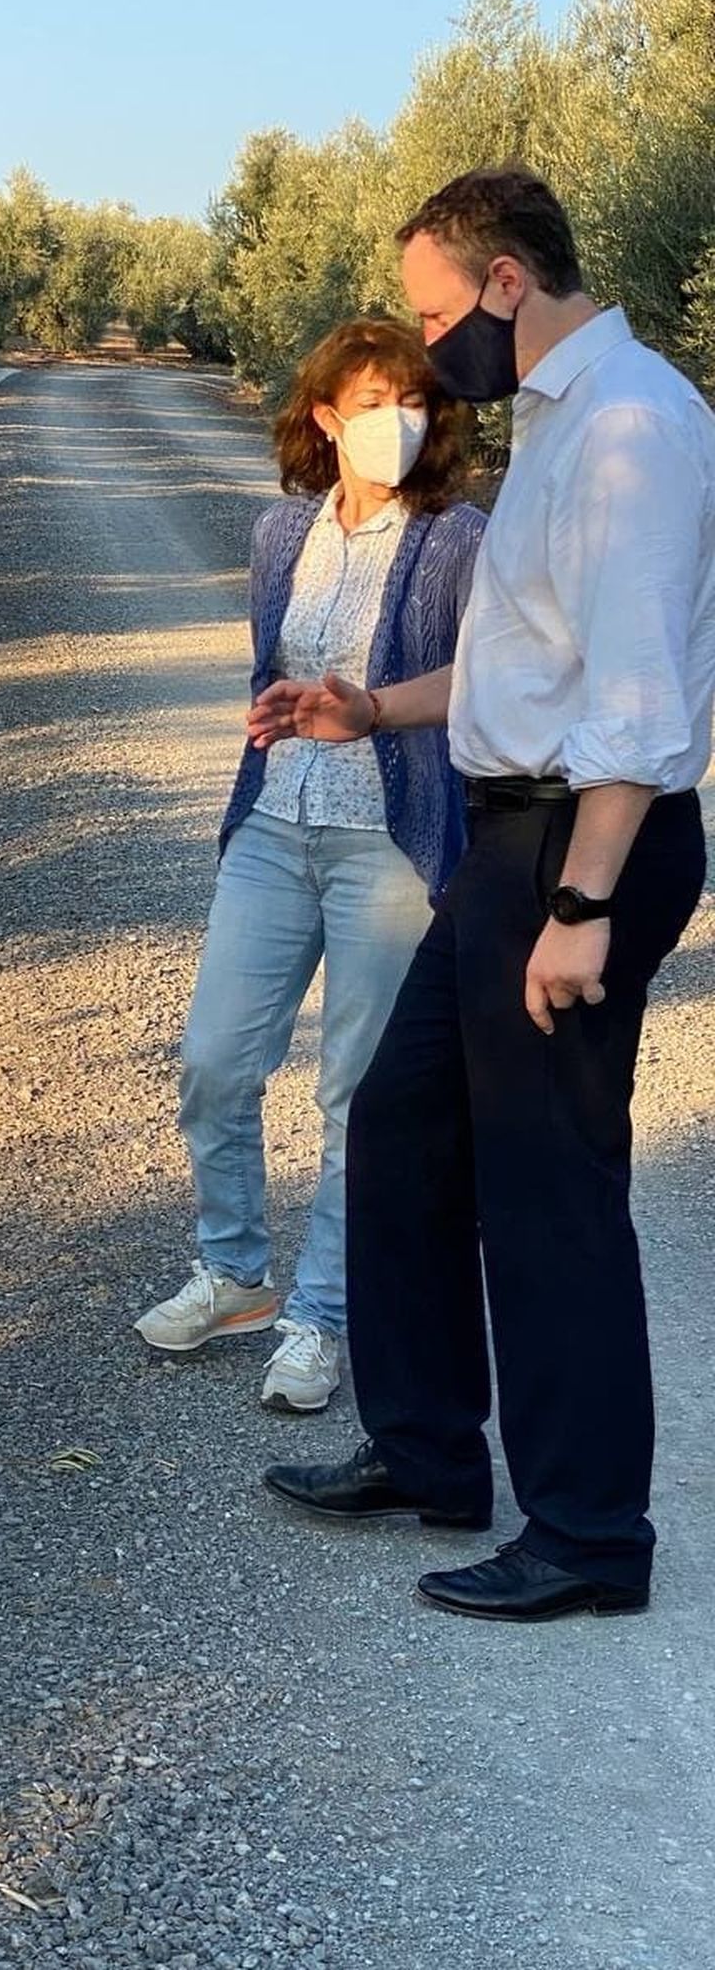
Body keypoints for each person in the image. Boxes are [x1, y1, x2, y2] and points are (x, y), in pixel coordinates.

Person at [259, 167, 715, 1621]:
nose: (428, 341)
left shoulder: (633, 428)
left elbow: (637, 701)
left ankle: (587, 1535)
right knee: (403, 1123)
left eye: (440, 308)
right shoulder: (565, 424)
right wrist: (369, 708)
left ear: (509, 281)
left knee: (549, 1191)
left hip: (581, 848)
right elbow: (528, 667)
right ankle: (430, 1450)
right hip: (515, 842)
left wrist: (580, 911)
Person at [135, 319, 484, 1411]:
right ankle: (235, 1273)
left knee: (352, 1091)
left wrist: (371, 717)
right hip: (275, 827)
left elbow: (489, 685)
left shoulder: (459, 539)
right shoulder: (279, 533)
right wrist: (282, 711)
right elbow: (274, 669)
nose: (397, 421)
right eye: (371, 401)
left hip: (388, 843)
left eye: (412, 400)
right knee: (215, 1063)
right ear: (325, 417)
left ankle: (324, 1316)